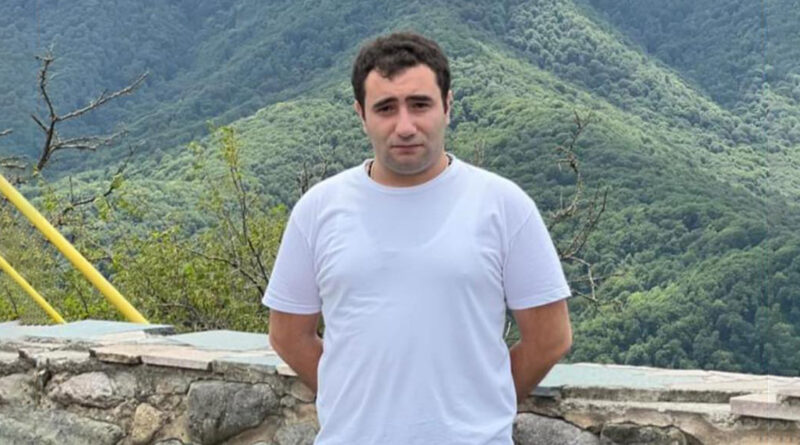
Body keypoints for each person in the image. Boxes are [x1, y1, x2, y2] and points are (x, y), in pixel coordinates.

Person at [264, 32, 573, 445]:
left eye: (420, 104)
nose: (405, 126)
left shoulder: (503, 206)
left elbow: (550, 338)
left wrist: (480, 406)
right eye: (386, 108)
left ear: (448, 106)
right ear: (361, 114)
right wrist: (352, 400)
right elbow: (287, 335)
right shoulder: (318, 210)